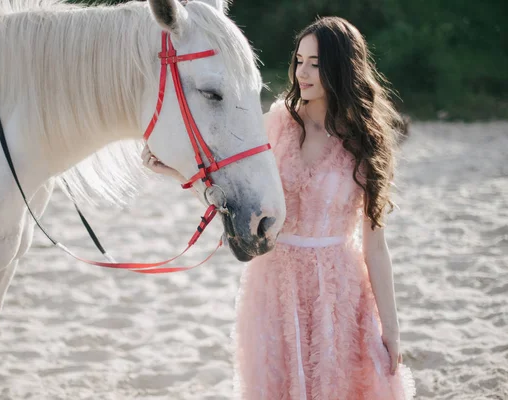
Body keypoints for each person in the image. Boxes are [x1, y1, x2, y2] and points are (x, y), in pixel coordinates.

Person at [142, 16, 415, 399]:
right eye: (299, 60)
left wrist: (391, 329)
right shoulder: (277, 123)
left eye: (316, 64)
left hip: (337, 290)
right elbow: (241, 198)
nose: (302, 72)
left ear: (340, 67)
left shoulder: (364, 143)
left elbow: (376, 247)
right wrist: (175, 174)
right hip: (274, 282)